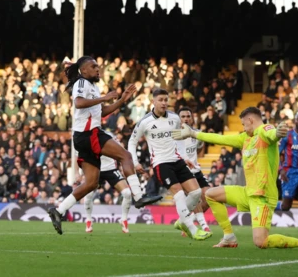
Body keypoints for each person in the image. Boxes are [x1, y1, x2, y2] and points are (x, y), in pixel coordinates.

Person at [171, 107, 298, 251]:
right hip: (247, 193)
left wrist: (278, 132)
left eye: (243, 124)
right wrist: (193, 133)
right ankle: (228, 237)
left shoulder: (264, 130)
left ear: (251, 120)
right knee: (210, 194)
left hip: (263, 197)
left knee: (261, 242)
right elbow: (220, 138)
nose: (243, 127)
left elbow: (272, 133)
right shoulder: (245, 138)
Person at [47, 56, 162, 235]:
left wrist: (122, 100)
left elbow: (101, 112)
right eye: (93, 67)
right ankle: (139, 197)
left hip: (84, 136)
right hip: (89, 134)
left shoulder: (92, 86)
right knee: (126, 156)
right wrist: (104, 97)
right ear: (83, 70)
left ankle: (59, 211)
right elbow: (78, 103)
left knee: (92, 183)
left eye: (97, 66)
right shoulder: (82, 83)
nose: (97, 69)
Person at [128, 89, 211, 241]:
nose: (164, 103)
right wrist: (135, 162)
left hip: (177, 160)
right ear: (153, 101)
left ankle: (182, 220)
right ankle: (193, 230)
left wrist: (185, 157)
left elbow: (178, 140)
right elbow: (131, 142)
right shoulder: (145, 122)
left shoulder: (174, 118)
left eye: (166, 100)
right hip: (161, 163)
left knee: (196, 193)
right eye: (161, 100)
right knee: (179, 194)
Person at [84, 135, 133, 234]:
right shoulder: (87, 138)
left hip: (111, 169)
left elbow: (121, 152)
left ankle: (123, 220)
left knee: (127, 193)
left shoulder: (110, 137)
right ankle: (89, 220)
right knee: (88, 195)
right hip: (96, 169)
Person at [177, 107, 211, 235]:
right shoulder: (174, 135)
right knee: (195, 196)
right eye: (183, 116)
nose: (186, 119)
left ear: (192, 118)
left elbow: (200, 148)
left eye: (188, 116)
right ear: (178, 119)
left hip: (196, 171)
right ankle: (203, 225)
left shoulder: (197, 134)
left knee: (209, 198)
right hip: (183, 173)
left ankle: (186, 221)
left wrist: (196, 161)